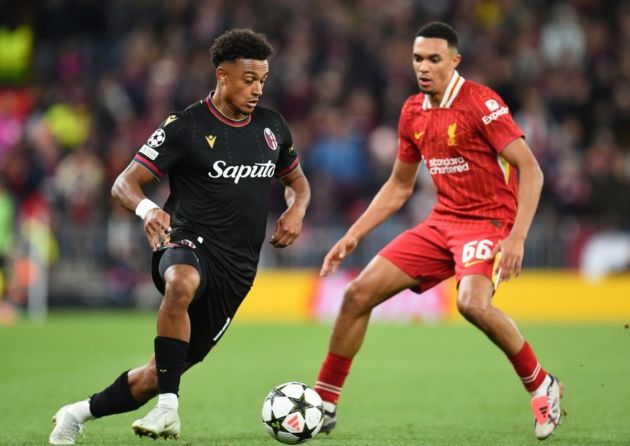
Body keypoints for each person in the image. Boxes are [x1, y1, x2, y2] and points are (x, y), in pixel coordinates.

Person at [49, 28, 310, 445]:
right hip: (187, 242)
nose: (258, 88)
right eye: (249, 79)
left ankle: (76, 413)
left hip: (238, 270)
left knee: (157, 374)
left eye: (263, 80)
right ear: (222, 75)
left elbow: (298, 182)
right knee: (181, 282)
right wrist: (148, 209)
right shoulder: (185, 126)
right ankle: (170, 409)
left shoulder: (272, 128)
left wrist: (296, 209)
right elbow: (123, 184)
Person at [313, 22, 563, 441]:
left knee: (471, 305)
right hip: (442, 221)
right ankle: (324, 402)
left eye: (433, 59)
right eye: (417, 59)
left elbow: (531, 169)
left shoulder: (481, 103)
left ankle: (542, 385)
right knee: (357, 294)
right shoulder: (412, 110)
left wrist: (517, 235)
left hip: (488, 221)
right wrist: (353, 234)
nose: (423, 67)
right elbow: (399, 185)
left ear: (454, 61)